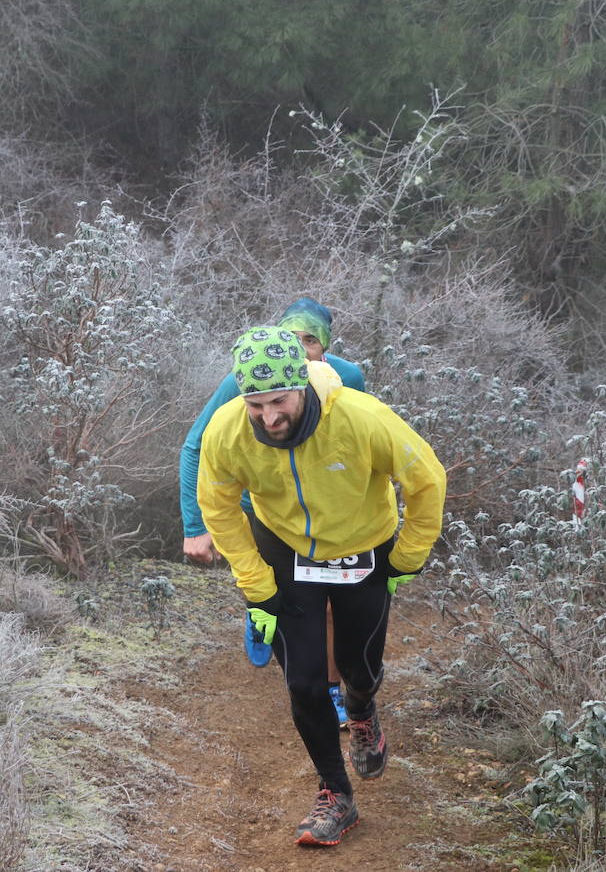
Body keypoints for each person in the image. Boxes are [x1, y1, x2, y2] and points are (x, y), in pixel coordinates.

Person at [198, 327, 445, 847]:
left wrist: (407, 558)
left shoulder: (360, 417)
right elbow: (217, 505)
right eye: (255, 404)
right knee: (304, 682)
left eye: (279, 401)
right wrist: (257, 586)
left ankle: (361, 711)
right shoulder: (227, 431)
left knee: (361, 665)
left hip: (363, 548)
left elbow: (427, 480)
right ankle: (337, 795)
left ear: (303, 387)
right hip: (285, 549)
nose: (269, 417)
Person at [179, 298, 364, 722]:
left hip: (319, 510)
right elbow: (195, 446)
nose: (299, 350)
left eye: (310, 340)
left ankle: (333, 691)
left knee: (331, 606)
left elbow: (360, 442)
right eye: (291, 339)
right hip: (255, 507)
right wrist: (196, 525)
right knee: (265, 587)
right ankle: (258, 610)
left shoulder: (348, 377)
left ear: (326, 346)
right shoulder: (246, 380)